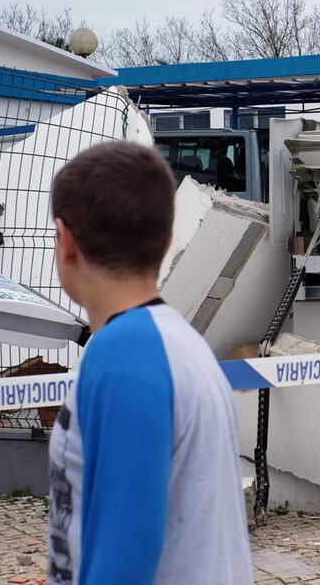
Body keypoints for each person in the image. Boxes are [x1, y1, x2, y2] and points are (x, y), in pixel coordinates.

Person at [47, 141, 252, 584]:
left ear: (65, 241)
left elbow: (128, 550)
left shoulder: (125, 356)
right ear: (167, 240)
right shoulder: (177, 344)